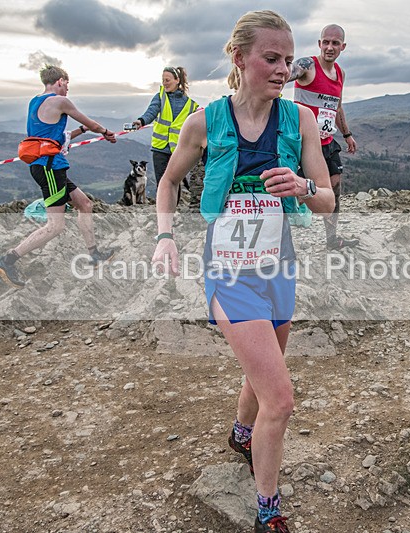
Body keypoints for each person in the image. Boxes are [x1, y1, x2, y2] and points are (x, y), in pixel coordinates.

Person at [150, 10, 334, 532]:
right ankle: (267, 510)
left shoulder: (298, 121)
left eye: (287, 60)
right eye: (270, 59)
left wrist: (302, 187)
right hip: (228, 271)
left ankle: (240, 433)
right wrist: (165, 236)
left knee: (267, 364)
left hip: (279, 267)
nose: (282, 70)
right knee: (281, 397)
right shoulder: (206, 120)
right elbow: (167, 183)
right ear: (239, 58)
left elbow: (326, 202)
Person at [0, 65, 116, 289]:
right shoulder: (60, 101)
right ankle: (7, 260)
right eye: (67, 83)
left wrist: (82, 132)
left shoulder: (35, 101)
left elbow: (54, 135)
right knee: (55, 226)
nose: (68, 88)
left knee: (85, 204)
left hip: (48, 164)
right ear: (59, 81)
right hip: (49, 167)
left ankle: (94, 254)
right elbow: (92, 123)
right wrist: (106, 133)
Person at [289, 24, 359, 250]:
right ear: (319, 44)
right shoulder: (307, 66)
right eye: (325, 42)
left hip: (327, 141)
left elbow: (336, 106)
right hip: (302, 142)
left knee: (334, 187)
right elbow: (283, 75)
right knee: (291, 190)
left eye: (335, 43)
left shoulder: (340, 73)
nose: (330, 47)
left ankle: (332, 239)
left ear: (343, 47)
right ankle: (277, 240)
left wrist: (347, 134)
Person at [132, 66, 199, 203]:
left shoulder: (190, 104)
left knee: (175, 181)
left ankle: (173, 210)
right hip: (160, 149)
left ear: (177, 80)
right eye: (163, 80)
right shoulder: (160, 97)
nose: (165, 83)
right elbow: (151, 111)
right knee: (163, 182)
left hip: (179, 149)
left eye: (167, 80)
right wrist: (141, 121)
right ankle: (163, 213)